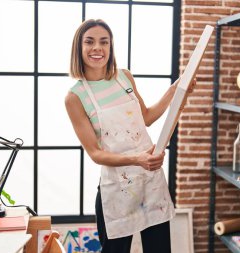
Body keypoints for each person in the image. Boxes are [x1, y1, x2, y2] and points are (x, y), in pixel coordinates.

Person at [65, 19, 194, 253]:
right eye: (89, 42)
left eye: (104, 42)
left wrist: (174, 91)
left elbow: (145, 117)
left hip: (149, 182)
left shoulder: (124, 77)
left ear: (111, 47)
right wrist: (137, 159)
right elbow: (95, 153)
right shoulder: (75, 97)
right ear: (79, 48)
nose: (98, 48)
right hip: (116, 188)